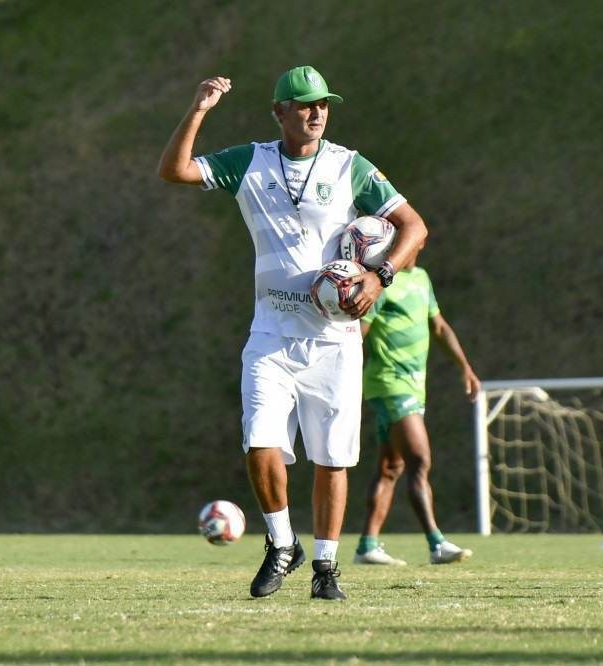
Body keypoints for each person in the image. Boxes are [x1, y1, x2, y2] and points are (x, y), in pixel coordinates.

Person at [157, 66, 428, 601]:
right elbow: (175, 171)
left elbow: (414, 226)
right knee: (260, 444)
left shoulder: (350, 165)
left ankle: (326, 567)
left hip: (333, 339)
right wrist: (200, 109)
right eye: (304, 104)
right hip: (271, 336)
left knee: (332, 458)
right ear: (279, 112)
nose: (316, 112)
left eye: (323, 103)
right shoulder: (249, 163)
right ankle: (282, 544)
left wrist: (380, 275)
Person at [353, 241, 481, 566]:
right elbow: (358, 335)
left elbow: (438, 326)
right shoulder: (380, 286)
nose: (418, 249)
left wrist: (464, 367)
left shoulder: (421, 278)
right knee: (420, 460)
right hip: (390, 384)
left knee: (390, 468)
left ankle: (367, 546)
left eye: (420, 244)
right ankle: (436, 543)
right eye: (411, 244)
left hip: (413, 386)